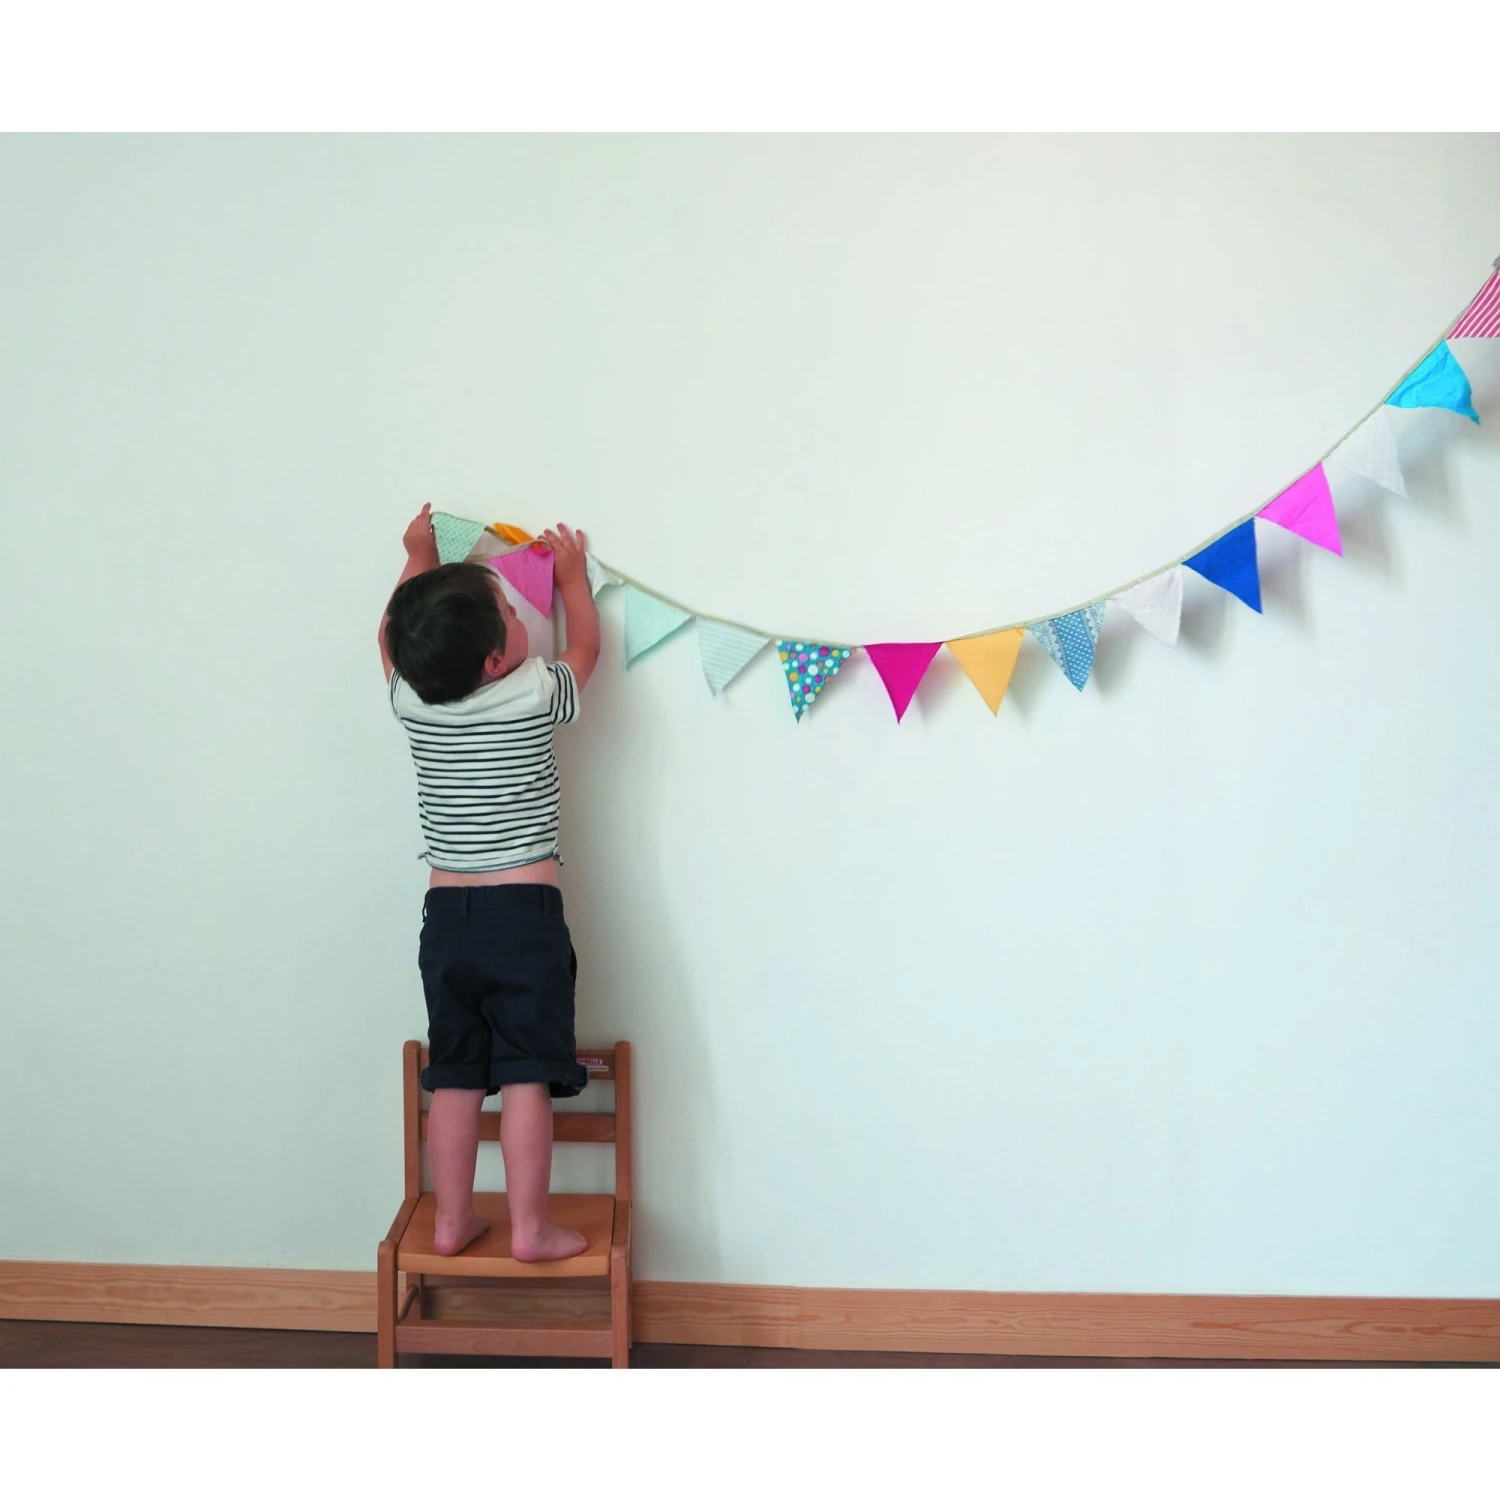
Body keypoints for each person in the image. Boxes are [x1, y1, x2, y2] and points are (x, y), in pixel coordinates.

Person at [379, 505, 600, 1259]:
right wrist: (572, 580)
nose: (517, 610)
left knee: (456, 1076)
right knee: (527, 1076)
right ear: (497, 661)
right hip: (525, 915)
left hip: (447, 920)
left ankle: (450, 1222)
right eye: (510, 610)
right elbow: (586, 649)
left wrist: (417, 558)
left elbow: (388, 638)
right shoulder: (536, 691)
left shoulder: (411, 700)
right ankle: (529, 1230)